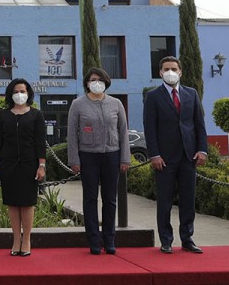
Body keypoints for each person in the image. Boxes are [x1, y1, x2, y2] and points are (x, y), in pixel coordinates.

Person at [143, 56, 208, 254]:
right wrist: (154, 154)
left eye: (174, 68)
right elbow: (150, 127)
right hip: (164, 158)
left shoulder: (192, 94)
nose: (170, 72)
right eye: (166, 68)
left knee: (188, 200)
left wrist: (202, 149)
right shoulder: (153, 96)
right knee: (164, 201)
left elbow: (199, 124)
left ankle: (187, 238)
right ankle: (166, 240)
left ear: (180, 72)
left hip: (189, 157)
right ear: (160, 73)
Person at [67, 67, 131, 255]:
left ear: (106, 82)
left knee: (110, 200)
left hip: (112, 154)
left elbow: (123, 132)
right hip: (88, 156)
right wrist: (74, 159)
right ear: (87, 83)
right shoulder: (78, 104)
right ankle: (94, 240)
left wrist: (125, 158)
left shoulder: (116, 103)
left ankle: (109, 239)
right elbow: (72, 134)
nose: (96, 82)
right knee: (90, 199)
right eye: (93, 79)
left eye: (100, 79)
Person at [0, 78, 46, 257]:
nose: (19, 95)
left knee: (28, 203)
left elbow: (40, 143)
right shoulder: (3, 115)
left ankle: (27, 239)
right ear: (10, 94)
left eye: (23, 91)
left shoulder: (36, 115)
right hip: (8, 165)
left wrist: (41, 166)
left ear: (28, 93)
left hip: (30, 165)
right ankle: (16, 239)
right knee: (12, 203)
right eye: (16, 91)